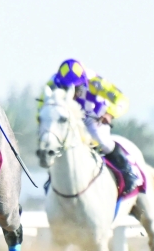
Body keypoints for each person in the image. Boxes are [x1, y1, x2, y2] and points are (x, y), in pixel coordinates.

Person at [47, 59, 144, 195]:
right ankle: (51, 181)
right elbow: (42, 107)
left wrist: (110, 113)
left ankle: (128, 172)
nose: (71, 92)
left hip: (94, 118)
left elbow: (122, 100)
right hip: (70, 121)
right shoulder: (52, 84)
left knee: (100, 139)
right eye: (66, 87)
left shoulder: (95, 82)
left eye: (76, 87)